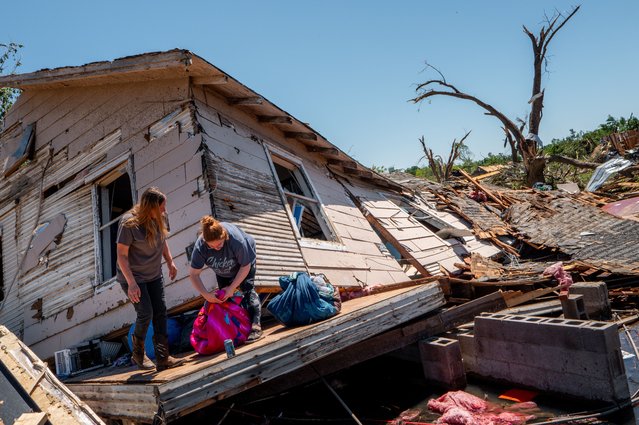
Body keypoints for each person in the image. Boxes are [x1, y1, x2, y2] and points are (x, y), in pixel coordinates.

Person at [116, 187, 185, 371]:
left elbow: (162, 240)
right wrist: (131, 283)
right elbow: (121, 256)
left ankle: (163, 358)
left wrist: (170, 262)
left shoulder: (161, 218)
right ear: (150, 207)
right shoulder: (128, 224)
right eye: (161, 207)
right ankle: (138, 355)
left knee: (160, 311)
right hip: (133, 276)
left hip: (154, 274)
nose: (164, 211)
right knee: (146, 312)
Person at [188, 216, 263, 343]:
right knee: (224, 298)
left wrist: (232, 287)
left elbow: (245, 266)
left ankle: (256, 327)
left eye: (220, 244)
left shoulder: (236, 240)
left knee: (247, 290)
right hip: (222, 269)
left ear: (224, 236)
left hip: (244, 264)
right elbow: (194, 274)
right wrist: (206, 295)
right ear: (206, 242)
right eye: (213, 247)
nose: (217, 248)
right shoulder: (200, 247)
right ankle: (236, 329)